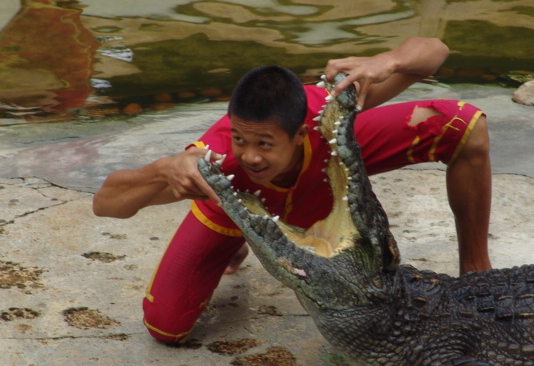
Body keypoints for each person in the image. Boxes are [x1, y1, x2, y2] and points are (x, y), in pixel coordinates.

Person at [93, 37, 493, 343]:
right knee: (166, 329)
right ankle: (241, 238)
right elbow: (105, 203)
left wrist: (388, 61)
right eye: (239, 139)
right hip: (236, 205)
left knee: (466, 127)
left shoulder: (325, 113)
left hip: (323, 182)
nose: (249, 156)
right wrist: (163, 170)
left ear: (299, 133)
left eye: (264, 144)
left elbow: (436, 50)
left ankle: (476, 267)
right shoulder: (218, 161)